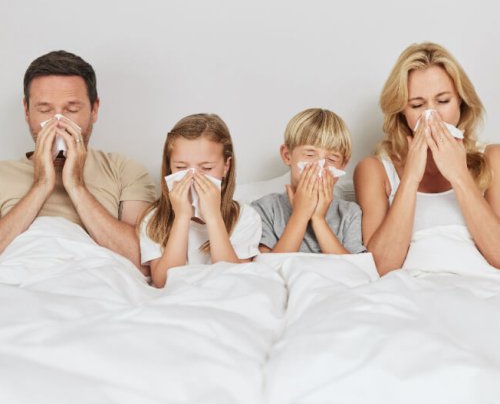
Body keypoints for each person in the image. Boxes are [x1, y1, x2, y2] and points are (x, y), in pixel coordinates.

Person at [0, 50, 156, 269]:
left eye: (72, 109)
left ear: (94, 109)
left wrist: (76, 186)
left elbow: (143, 262)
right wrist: (41, 184)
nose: (58, 122)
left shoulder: (124, 170)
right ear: (26, 111)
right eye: (44, 109)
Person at [354, 42, 500, 275]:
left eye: (443, 101)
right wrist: (410, 178)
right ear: (401, 111)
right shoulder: (375, 170)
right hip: (410, 289)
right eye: (417, 105)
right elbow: (379, 267)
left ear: (461, 101)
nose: (431, 115)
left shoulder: (493, 159)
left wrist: (459, 176)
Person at [139, 113, 262, 288]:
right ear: (169, 167)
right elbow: (163, 282)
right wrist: (182, 217)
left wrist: (213, 217)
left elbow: (233, 279)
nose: (192, 176)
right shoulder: (154, 219)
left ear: (226, 166)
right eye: (181, 167)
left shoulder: (245, 217)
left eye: (206, 168)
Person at [251, 108, 365, 255]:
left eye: (332, 159)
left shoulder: (349, 213)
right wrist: (300, 214)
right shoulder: (265, 209)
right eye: (310, 154)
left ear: (343, 165)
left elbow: (353, 267)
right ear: (287, 156)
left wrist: (318, 219)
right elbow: (268, 266)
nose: (320, 166)